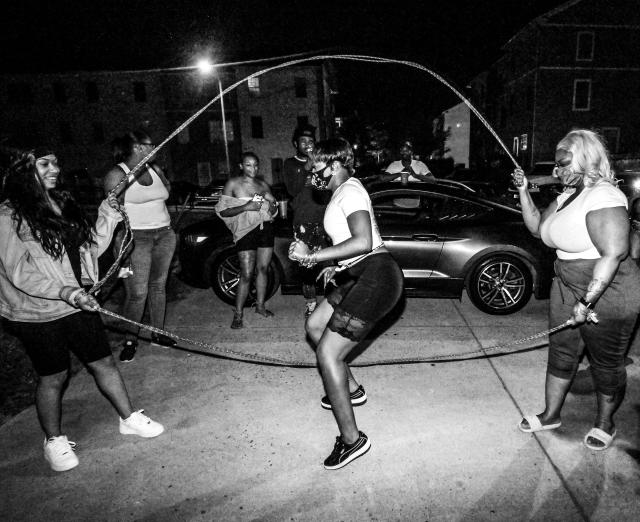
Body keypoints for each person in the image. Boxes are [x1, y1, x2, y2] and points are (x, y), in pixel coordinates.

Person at [0, 147, 164, 472]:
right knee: (54, 376)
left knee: (103, 362)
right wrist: (65, 292)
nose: (54, 169)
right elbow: (18, 271)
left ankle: (128, 418)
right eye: (44, 164)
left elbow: (88, 249)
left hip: (77, 302)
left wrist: (108, 213)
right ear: (22, 170)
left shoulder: (60, 204)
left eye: (56, 162)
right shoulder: (9, 215)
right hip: (38, 312)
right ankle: (54, 441)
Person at [513, 129, 640, 451]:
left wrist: (586, 301)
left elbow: (613, 252)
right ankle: (552, 414)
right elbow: (537, 229)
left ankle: (605, 423)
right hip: (567, 281)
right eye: (557, 165)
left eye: (565, 163)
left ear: (587, 158)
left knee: (606, 362)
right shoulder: (565, 196)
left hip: (608, 288)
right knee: (562, 352)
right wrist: (524, 192)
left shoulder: (603, 195)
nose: (559, 171)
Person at [288, 138, 403, 469]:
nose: (311, 176)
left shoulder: (350, 190)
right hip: (359, 273)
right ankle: (351, 390)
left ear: (334, 165)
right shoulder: (342, 192)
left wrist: (313, 256)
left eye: (315, 169)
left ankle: (352, 441)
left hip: (377, 277)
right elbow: (352, 244)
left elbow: (364, 241)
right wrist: (332, 264)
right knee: (314, 325)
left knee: (327, 354)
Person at [103, 130, 177, 363]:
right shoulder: (117, 174)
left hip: (164, 234)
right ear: (138, 148)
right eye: (150, 144)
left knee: (158, 286)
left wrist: (163, 182)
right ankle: (130, 340)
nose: (155, 147)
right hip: (137, 238)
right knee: (138, 293)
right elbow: (110, 207)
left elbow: (167, 192)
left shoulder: (155, 170)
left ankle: (158, 333)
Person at [215, 152, 277, 328]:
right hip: (245, 231)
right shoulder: (233, 184)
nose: (253, 168)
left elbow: (273, 210)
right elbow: (223, 212)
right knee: (246, 273)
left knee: (263, 269)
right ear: (241, 166)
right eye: (248, 165)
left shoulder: (263, 184)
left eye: (256, 165)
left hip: (265, 229)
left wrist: (272, 206)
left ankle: (260, 306)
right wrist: (246, 206)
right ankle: (238, 314)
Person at [282, 124, 330, 318]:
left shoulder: (322, 164)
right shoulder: (290, 164)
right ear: (296, 144)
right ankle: (310, 305)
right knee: (306, 266)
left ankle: (329, 305)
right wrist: (308, 167)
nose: (308, 144)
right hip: (303, 221)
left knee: (328, 264)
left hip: (325, 221)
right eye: (303, 141)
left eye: (311, 141)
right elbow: (293, 190)